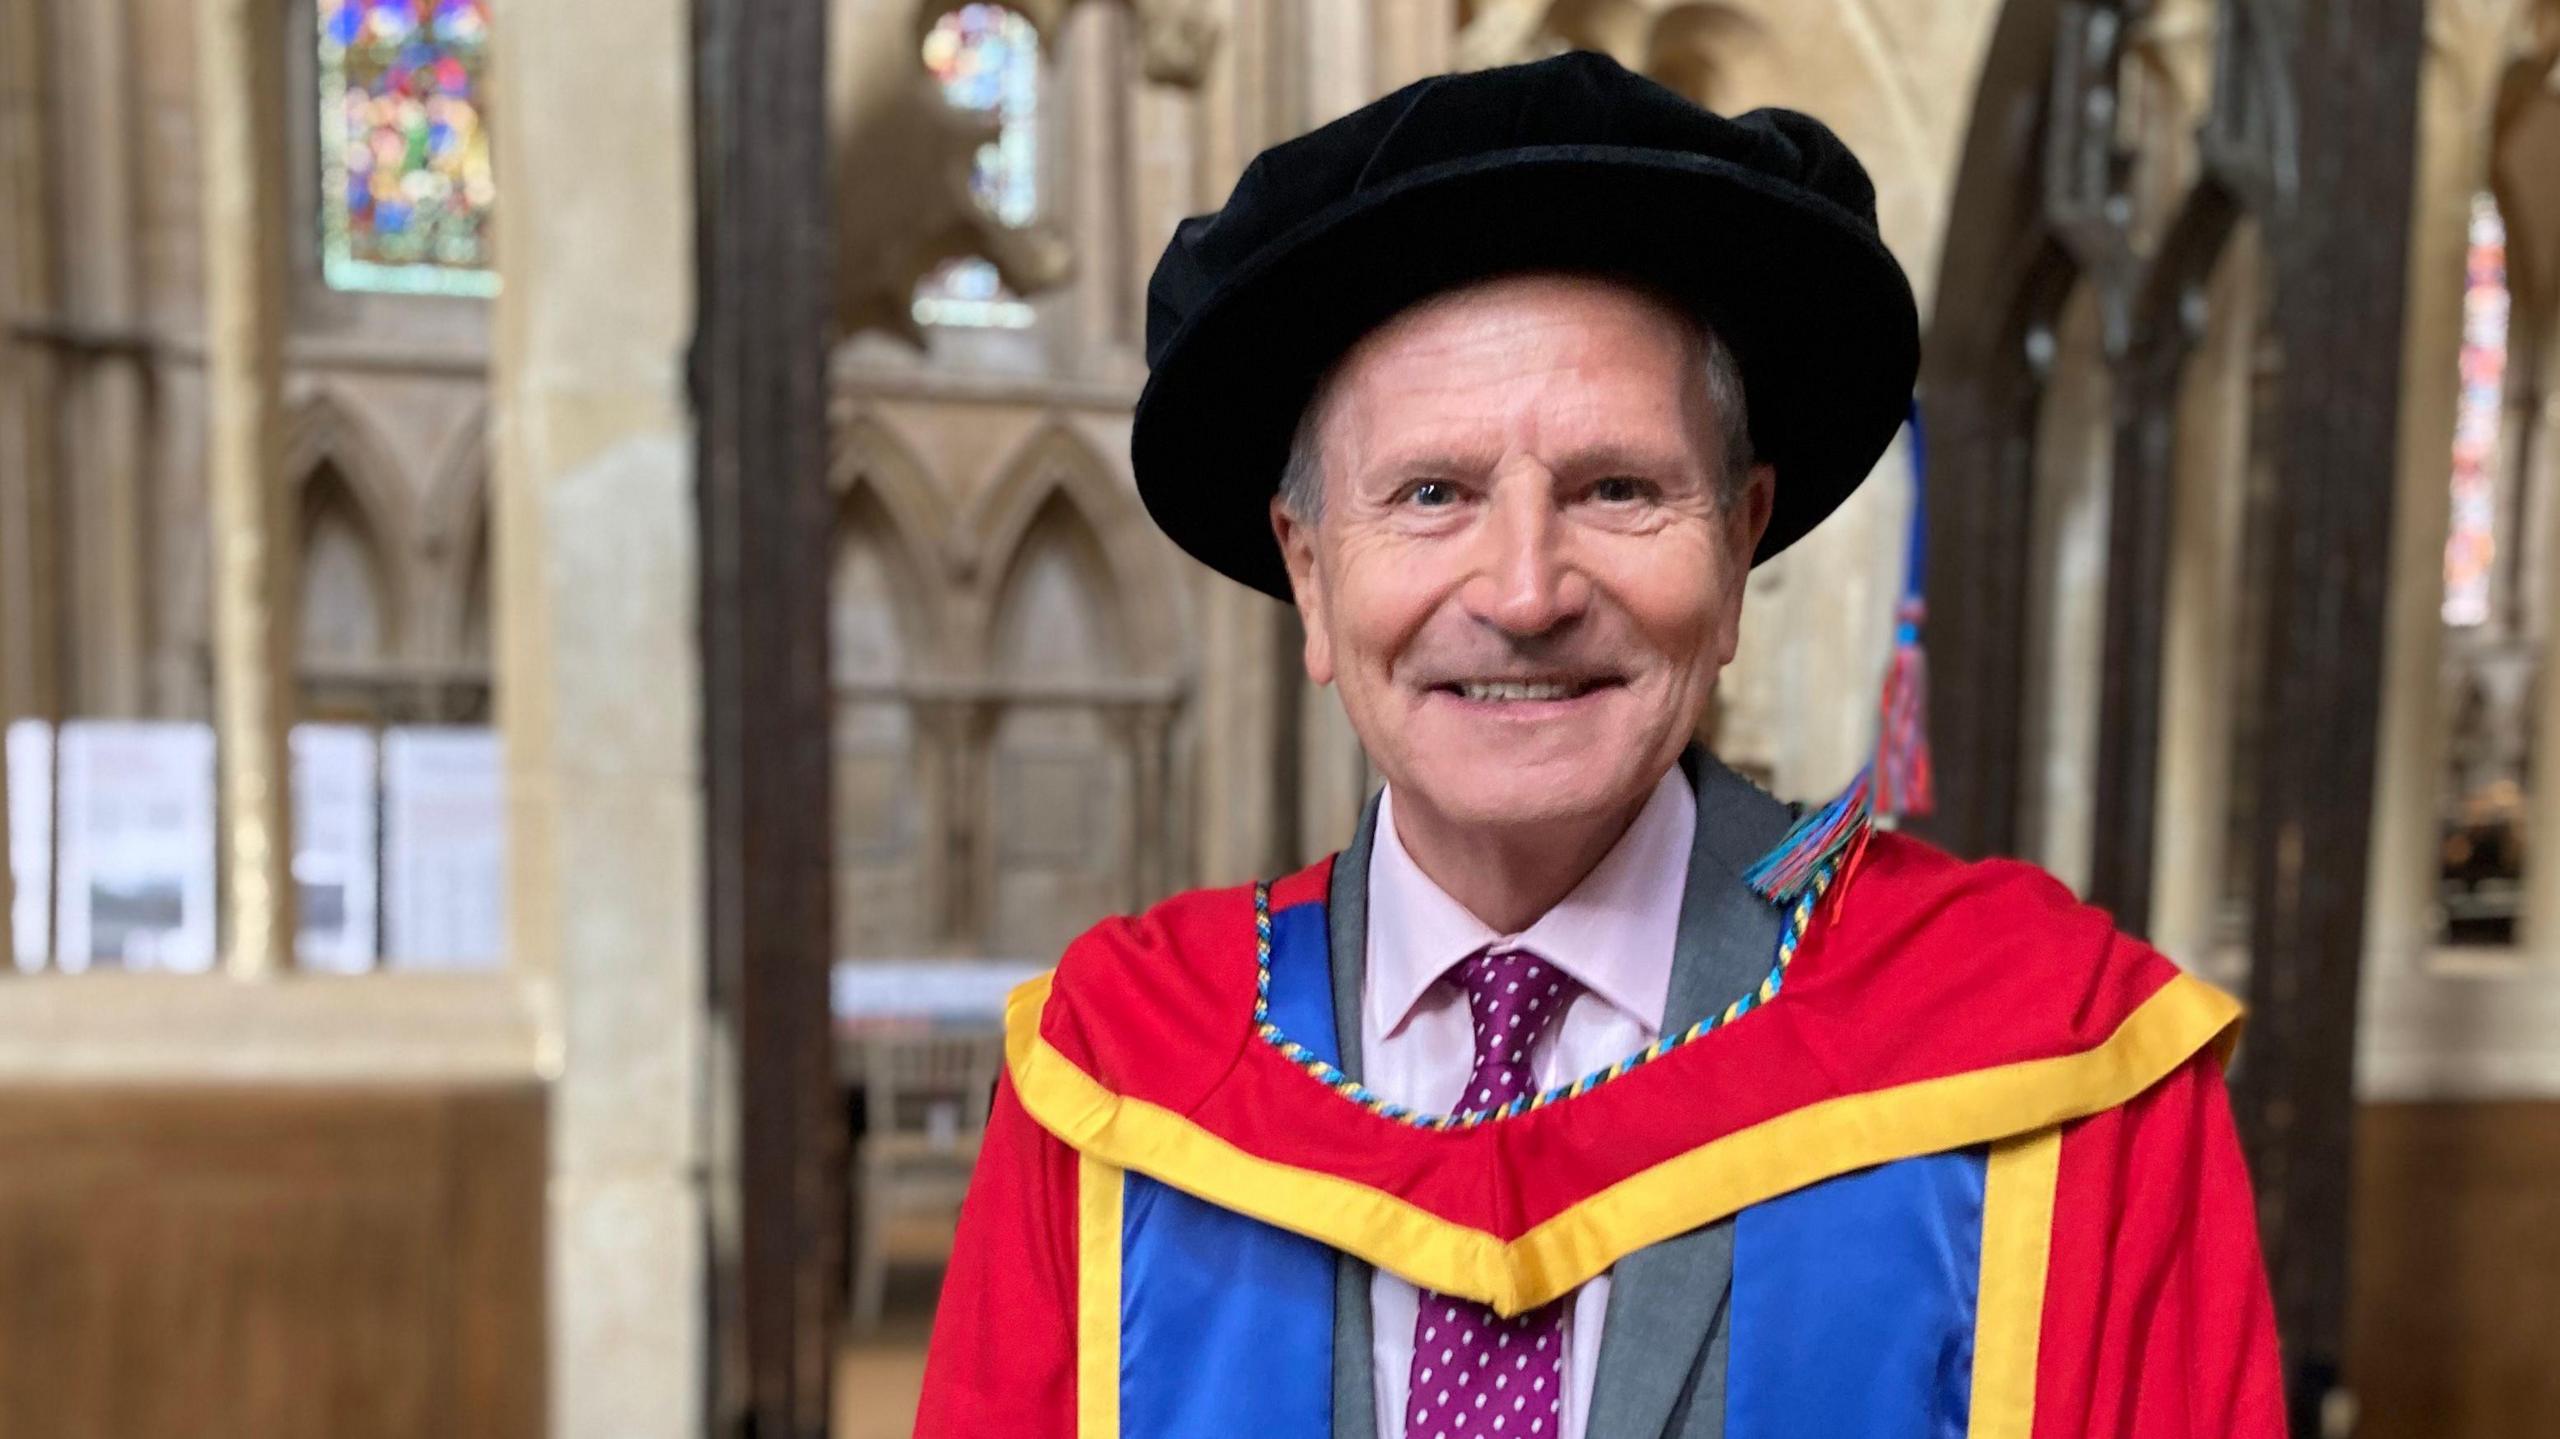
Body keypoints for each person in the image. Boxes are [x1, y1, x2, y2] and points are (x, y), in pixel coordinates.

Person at [915, 51, 2283, 1439]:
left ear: (1741, 545)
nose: (1524, 592)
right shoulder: (1111, 1090)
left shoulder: (2057, 1071)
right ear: (1312, 578)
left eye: (1618, 489)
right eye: (1432, 493)